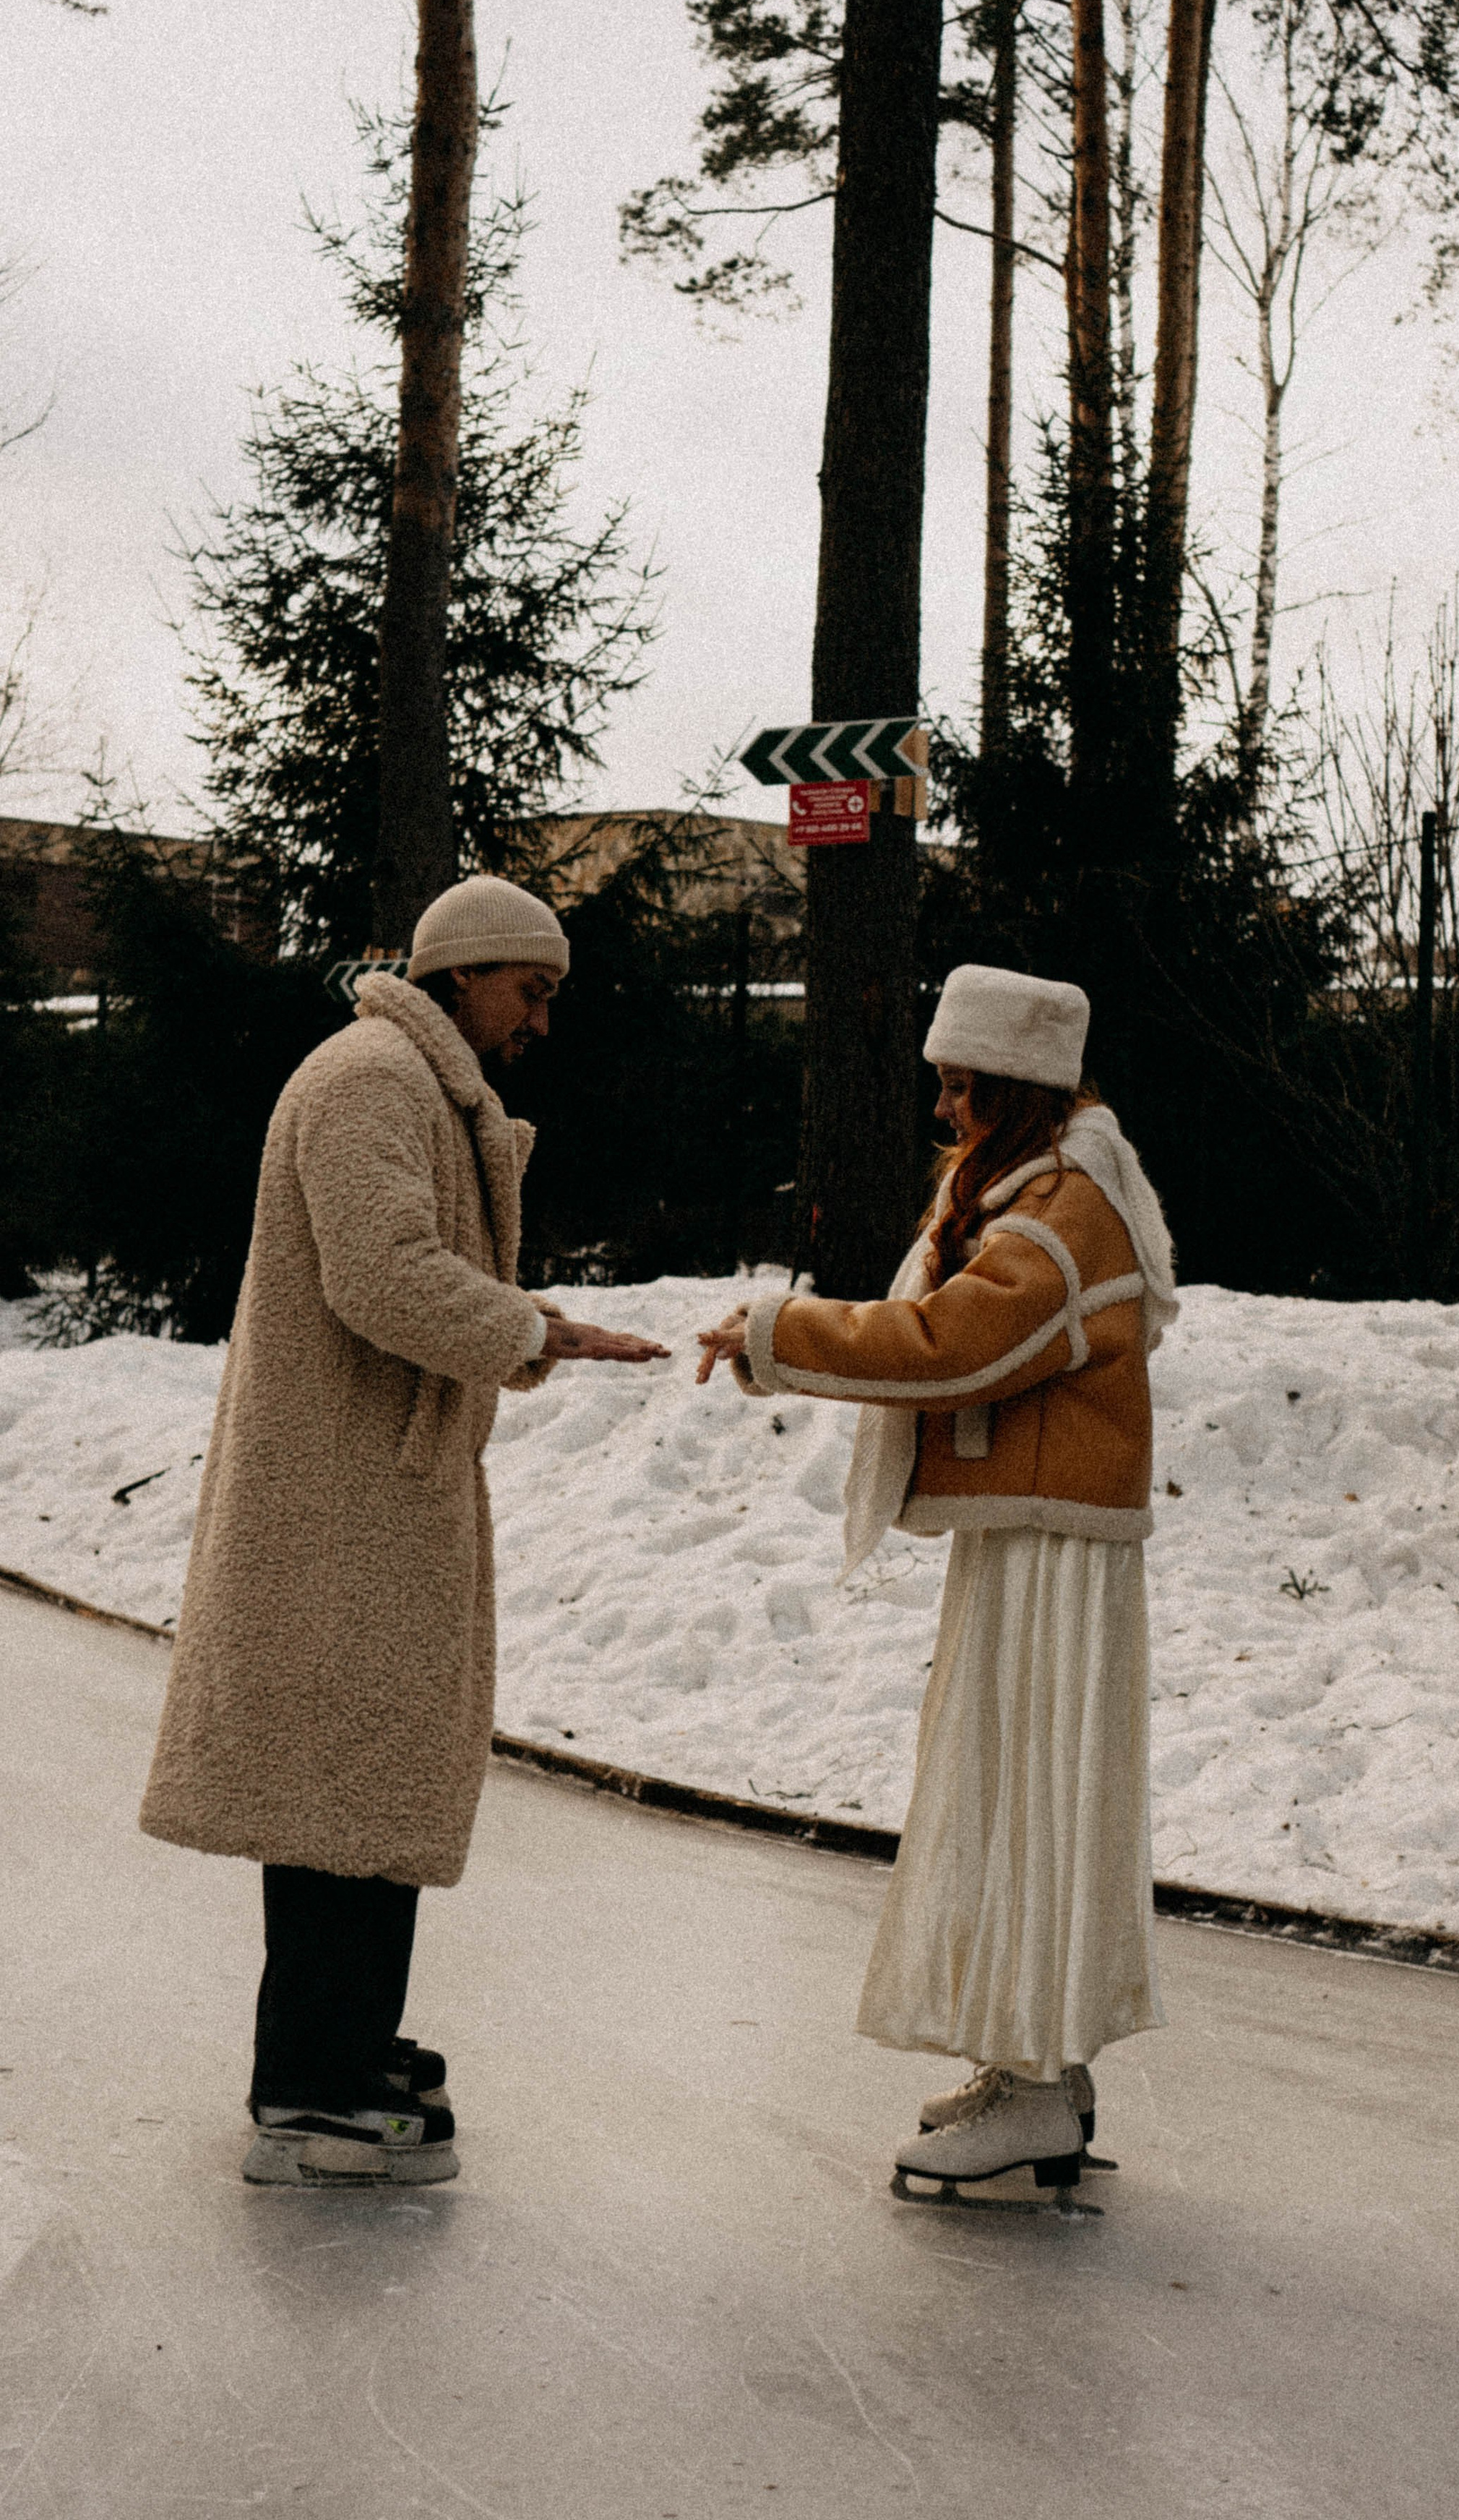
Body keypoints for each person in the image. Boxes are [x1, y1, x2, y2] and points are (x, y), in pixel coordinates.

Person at [140, 875, 668, 2188]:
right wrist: (541, 1330)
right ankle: (310, 2081)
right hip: (335, 1498)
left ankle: (345, 2041)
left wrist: (523, 1329)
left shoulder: (415, 1081)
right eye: (530, 990)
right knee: (335, 1780)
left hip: (372, 1486)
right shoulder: (373, 1077)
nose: (540, 1020)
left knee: (365, 1773)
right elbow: (380, 1275)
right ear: (463, 974)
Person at [697, 963, 1176, 2201]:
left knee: (1022, 1796)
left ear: (1024, 1091)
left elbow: (954, 1347)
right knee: (1022, 1789)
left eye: (967, 1088)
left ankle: (1029, 2085)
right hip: (1037, 1539)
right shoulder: (1049, 1189)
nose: (949, 1113)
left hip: (1052, 1557)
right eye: (946, 1086)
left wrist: (777, 1334)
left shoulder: (1064, 1215)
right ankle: (1038, 2076)